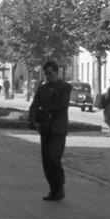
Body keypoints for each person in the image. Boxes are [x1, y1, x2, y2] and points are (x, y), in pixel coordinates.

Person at [28, 60, 71, 201]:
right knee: (46, 161)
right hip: (45, 128)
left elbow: (61, 106)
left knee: (54, 158)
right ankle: (53, 190)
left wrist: (45, 110)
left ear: (56, 73)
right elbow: (35, 104)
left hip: (58, 128)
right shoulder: (43, 88)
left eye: (50, 74)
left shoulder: (65, 87)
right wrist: (33, 119)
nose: (48, 76)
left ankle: (60, 185)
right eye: (46, 74)